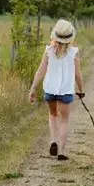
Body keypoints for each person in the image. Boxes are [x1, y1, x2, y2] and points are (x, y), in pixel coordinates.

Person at [28, 19, 85, 161]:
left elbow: (41, 70)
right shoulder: (74, 52)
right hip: (66, 91)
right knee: (64, 120)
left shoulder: (48, 51)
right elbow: (78, 74)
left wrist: (32, 88)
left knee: (53, 115)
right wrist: (81, 89)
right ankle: (62, 151)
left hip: (50, 90)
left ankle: (53, 140)